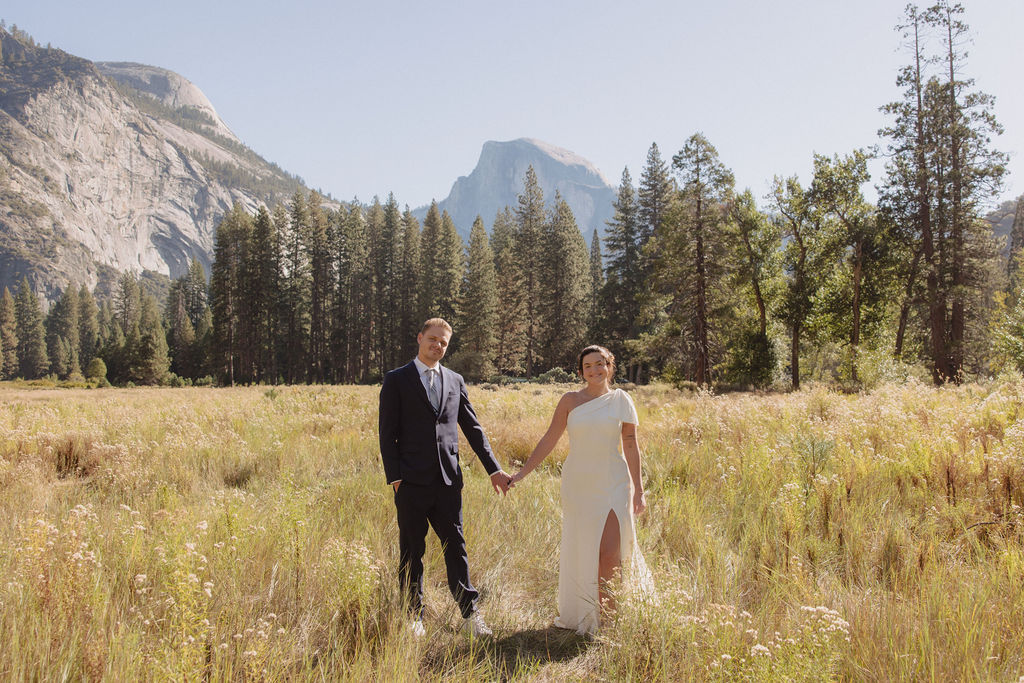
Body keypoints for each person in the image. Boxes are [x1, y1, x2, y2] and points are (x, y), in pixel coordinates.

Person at [379, 317, 514, 638]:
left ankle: (470, 615)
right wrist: (396, 479)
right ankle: (414, 617)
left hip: (449, 483)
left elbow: (473, 428)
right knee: (412, 550)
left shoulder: (455, 380)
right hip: (410, 483)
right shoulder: (396, 380)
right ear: (420, 338)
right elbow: (387, 434)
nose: (437, 346)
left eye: (443, 343)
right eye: (433, 339)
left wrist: (493, 469)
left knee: (456, 548)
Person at [510, 345, 651, 634]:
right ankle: (584, 614)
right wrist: (523, 473)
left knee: (610, 554)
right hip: (579, 484)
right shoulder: (570, 401)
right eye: (588, 366)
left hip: (613, 482)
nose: (594, 370)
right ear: (581, 371)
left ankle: (610, 623)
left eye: (600, 364)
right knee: (583, 548)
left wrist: (639, 489)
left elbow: (630, 445)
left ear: (610, 366)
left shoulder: (622, 400)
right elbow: (550, 438)